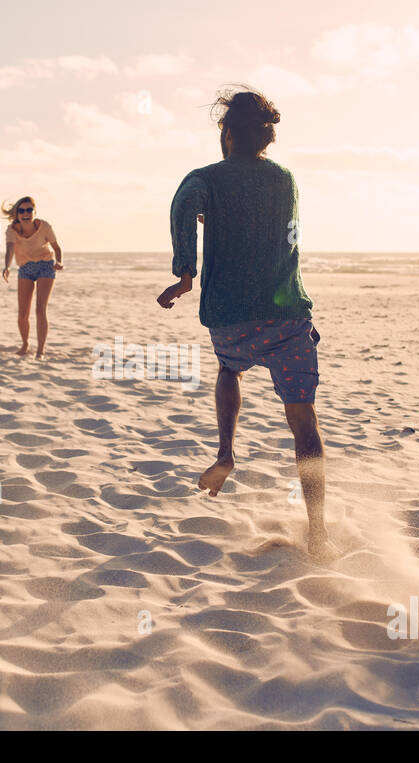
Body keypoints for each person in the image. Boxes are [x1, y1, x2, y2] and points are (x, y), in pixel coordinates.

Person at [157, 85, 328, 559]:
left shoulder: (206, 177)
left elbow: (182, 209)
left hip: (231, 319)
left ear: (227, 133)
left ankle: (226, 453)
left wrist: (185, 273)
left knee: (230, 370)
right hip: (286, 317)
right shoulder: (285, 180)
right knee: (303, 421)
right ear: (265, 137)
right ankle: (318, 531)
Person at [0, 196, 63, 357]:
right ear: (17, 214)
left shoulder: (44, 227)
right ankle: (25, 345)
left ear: (34, 212)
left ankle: (40, 351)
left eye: (29, 210)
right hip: (25, 268)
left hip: (45, 265)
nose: (25, 213)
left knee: (40, 309)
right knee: (23, 313)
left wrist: (59, 262)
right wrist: (7, 266)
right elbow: (9, 249)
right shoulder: (12, 230)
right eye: (21, 211)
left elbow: (57, 248)